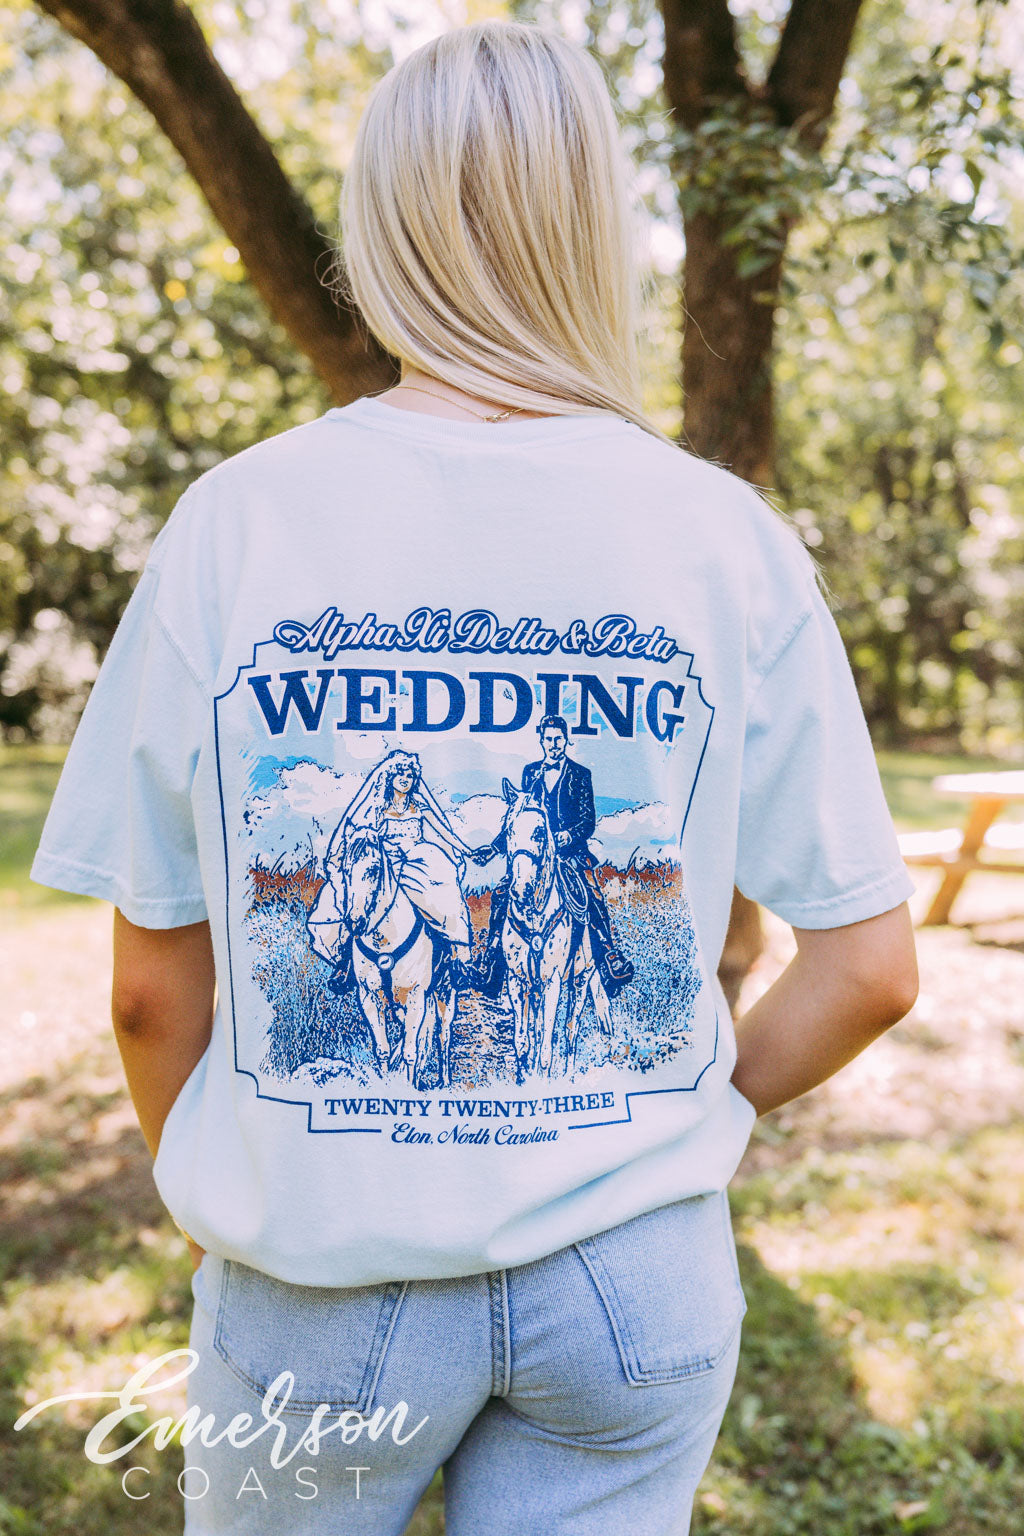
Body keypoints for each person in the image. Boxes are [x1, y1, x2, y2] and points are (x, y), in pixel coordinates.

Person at [29, 17, 918, 1536]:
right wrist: (677, 1122)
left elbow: (149, 998)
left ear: (380, 229)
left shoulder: (238, 522)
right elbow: (872, 970)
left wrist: (225, 1195)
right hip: (635, 1285)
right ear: (594, 229)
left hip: (321, 1280)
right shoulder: (725, 538)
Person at [473, 713, 635, 1000]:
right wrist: (495, 848)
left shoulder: (581, 775)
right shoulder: (530, 773)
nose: (553, 744)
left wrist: (569, 836)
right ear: (541, 741)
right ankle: (491, 959)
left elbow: (588, 820)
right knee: (501, 894)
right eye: (548, 739)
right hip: (537, 854)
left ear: (566, 740)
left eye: (558, 739)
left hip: (571, 854)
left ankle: (610, 954)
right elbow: (520, 818)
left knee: (592, 894)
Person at [313, 748, 480, 995]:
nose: (405, 779)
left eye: (410, 775)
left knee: (445, 894)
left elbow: (444, 832)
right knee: (349, 899)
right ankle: (345, 963)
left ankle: (457, 957)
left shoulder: (419, 804)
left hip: (418, 860)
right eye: (400, 774)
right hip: (386, 861)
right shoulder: (376, 806)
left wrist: (468, 851)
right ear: (390, 776)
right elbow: (361, 833)